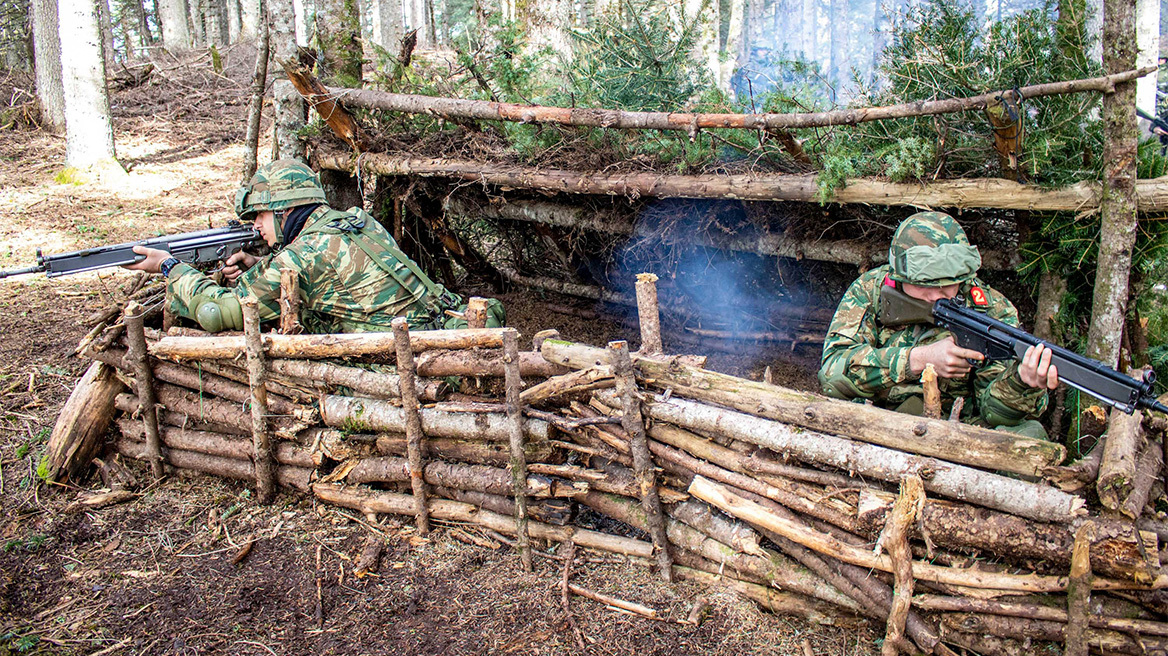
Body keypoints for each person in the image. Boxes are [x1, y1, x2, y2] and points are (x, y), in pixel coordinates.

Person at [125, 159, 503, 333]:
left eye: (260, 214)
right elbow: (336, 275)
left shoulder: (302, 255)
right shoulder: (356, 219)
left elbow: (214, 313)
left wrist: (168, 267)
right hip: (448, 324)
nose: (256, 225)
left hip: (410, 358)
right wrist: (260, 261)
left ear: (285, 209)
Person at [818, 211, 1058, 439]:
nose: (936, 295)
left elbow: (994, 413)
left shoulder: (991, 309)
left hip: (958, 431)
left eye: (948, 285)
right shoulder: (871, 290)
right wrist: (917, 359)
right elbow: (832, 375)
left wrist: (1021, 383)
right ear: (899, 276)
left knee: (1030, 435)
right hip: (877, 420)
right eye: (925, 284)